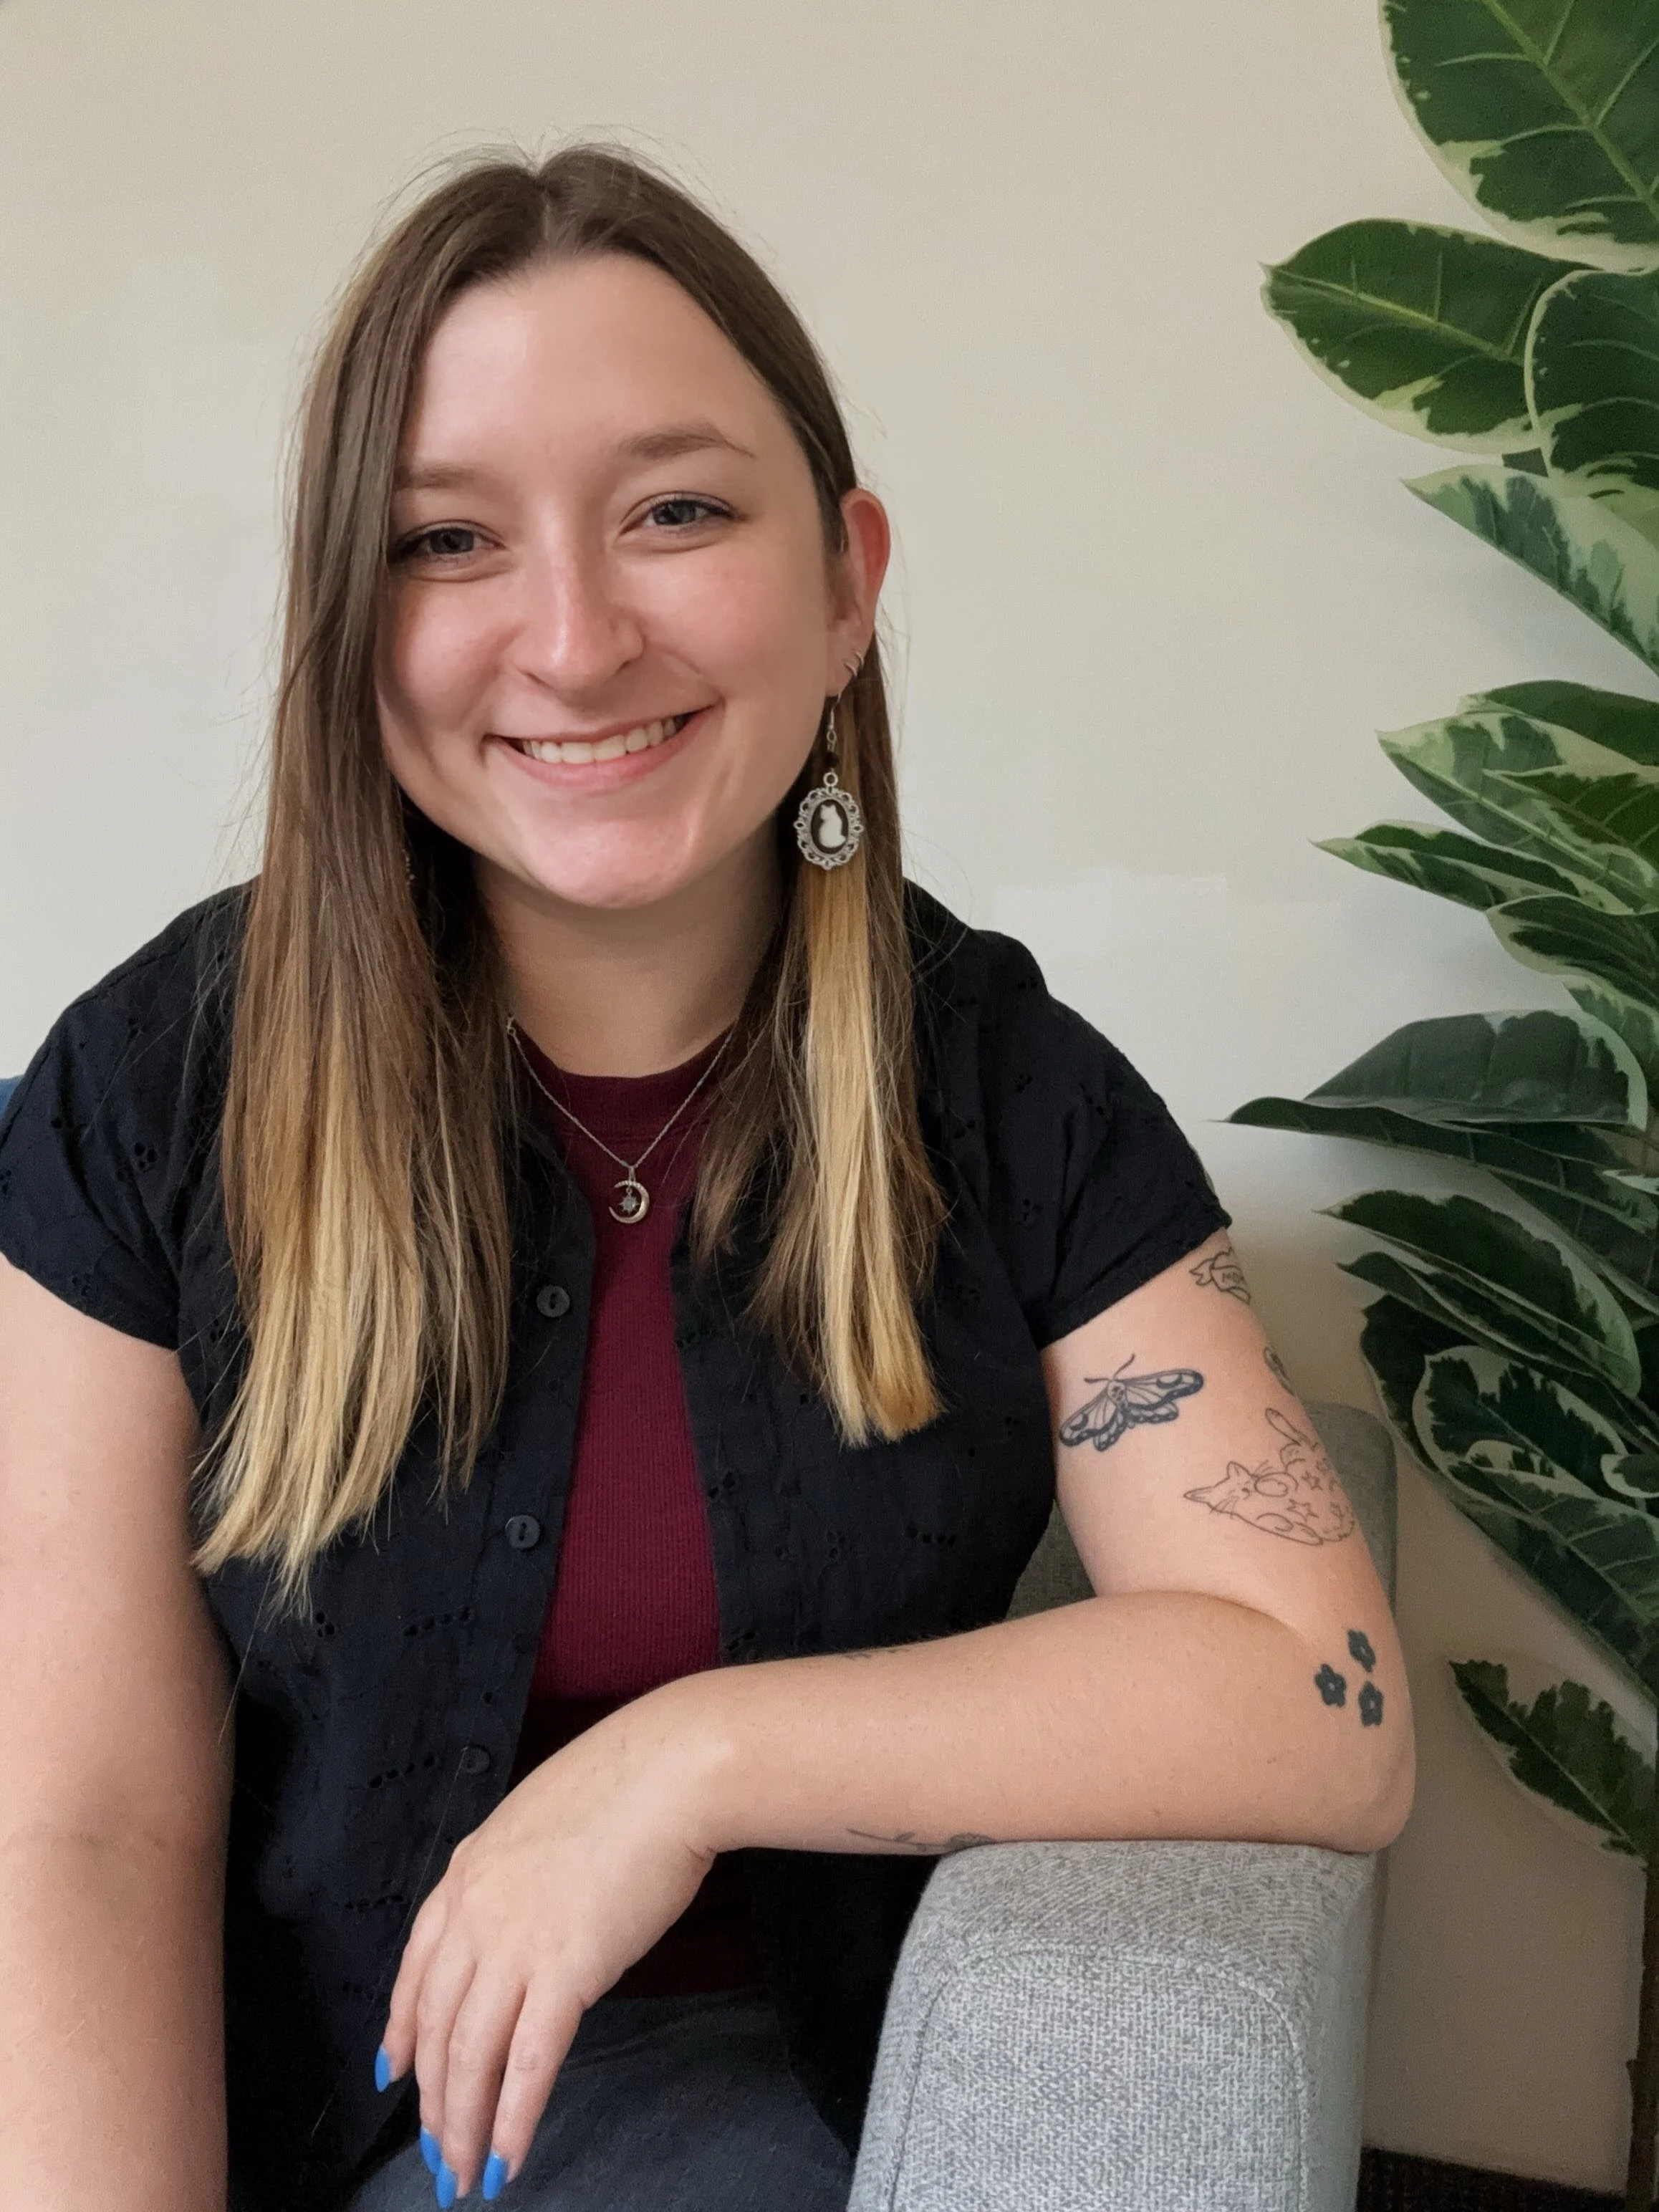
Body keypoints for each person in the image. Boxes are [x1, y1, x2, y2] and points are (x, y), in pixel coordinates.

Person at [0, 143, 1413, 2212]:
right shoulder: (154, 1086)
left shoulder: (1004, 1091)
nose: (572, 642)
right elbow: (88, 1817)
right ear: (344, 619)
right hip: (256, 2075)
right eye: (446, 540)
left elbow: (1319, 1696)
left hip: (694, 2086)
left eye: (675, 510)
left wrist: (687, 1761)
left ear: (845, 580)